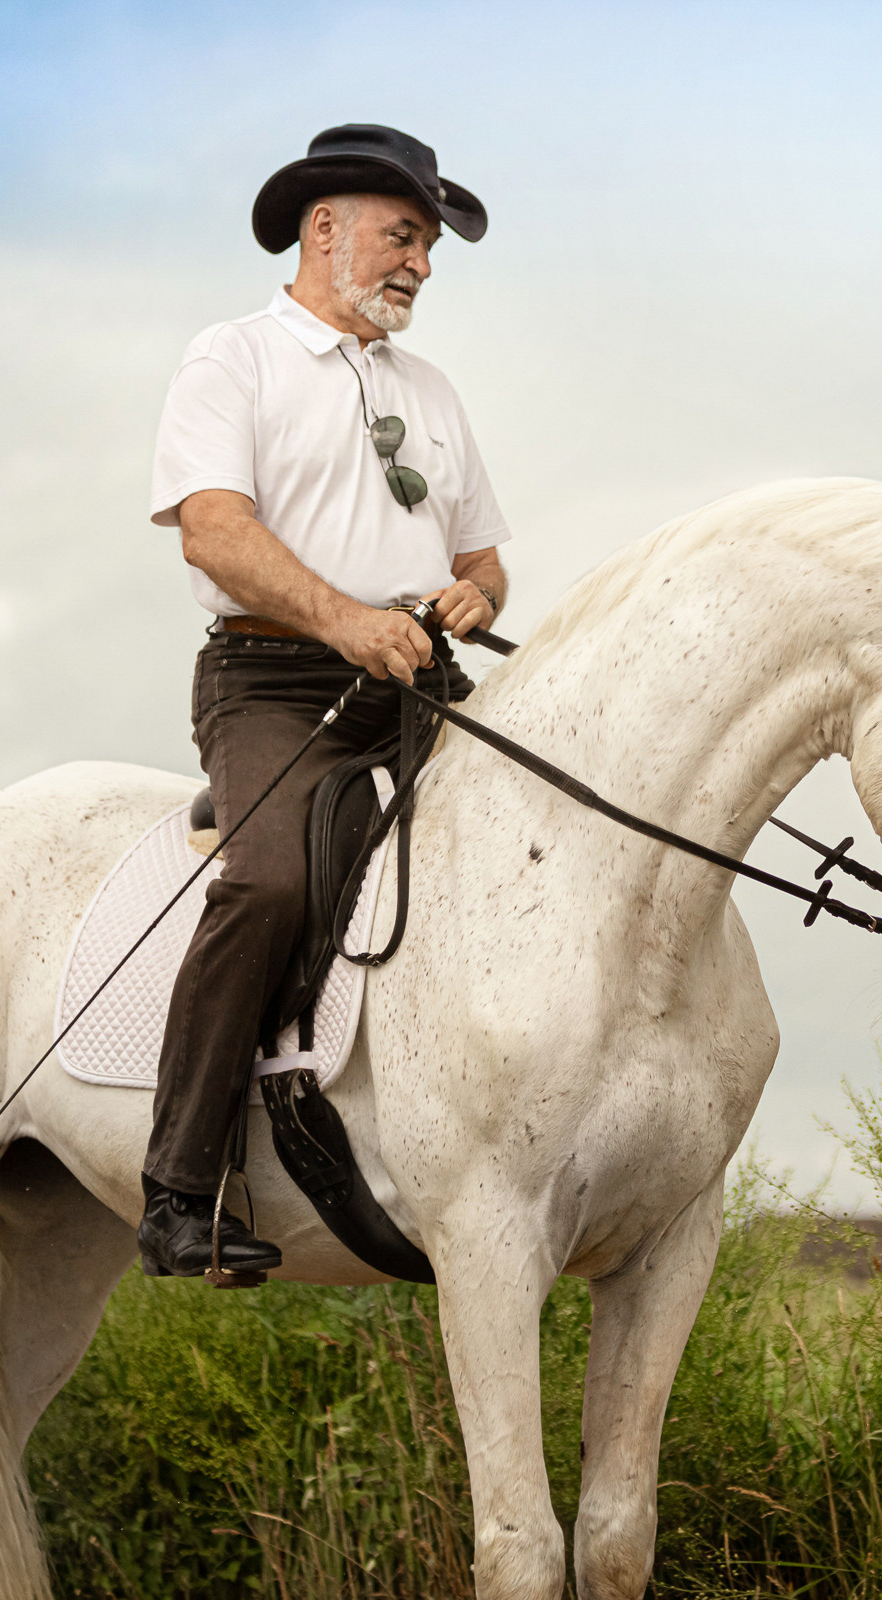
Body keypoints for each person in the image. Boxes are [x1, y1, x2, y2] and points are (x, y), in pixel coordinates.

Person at [138, 124, 512, 1277]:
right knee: (274, 877)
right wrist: (347, 619)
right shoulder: (233, 359)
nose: (423, 264)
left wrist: (466, 594)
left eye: (430, 244)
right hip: (274, 679)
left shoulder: (434, 391)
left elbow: (488, 562)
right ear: (325, 228)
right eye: (406, 236)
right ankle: (181, 1192)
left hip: (419, 676)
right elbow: (214, 528)